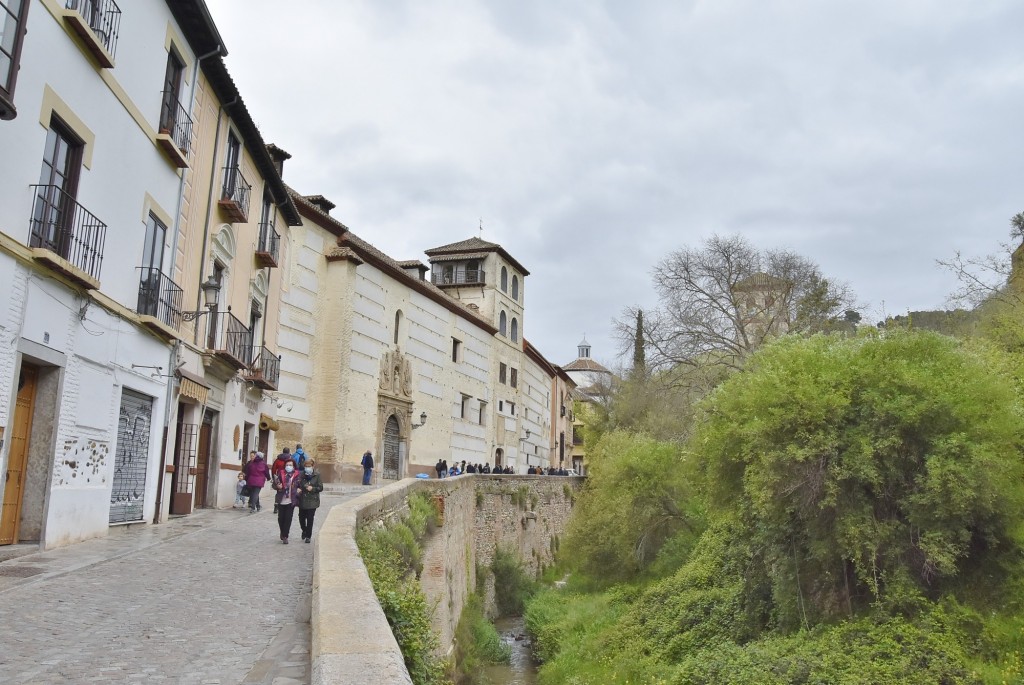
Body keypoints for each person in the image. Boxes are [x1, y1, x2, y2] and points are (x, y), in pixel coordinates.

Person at [273, 459, 302, 543]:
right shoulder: (280, 473)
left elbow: (300, 485)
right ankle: (282, 532)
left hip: (291, 499)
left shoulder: (297, 475)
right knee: (280, 518)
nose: (288, 466)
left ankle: (285, 535)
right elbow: (274, 484)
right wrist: (277, 486)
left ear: (293, 466)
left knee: (288, 518)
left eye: (290, 465)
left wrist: (299, 491)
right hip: (281, 499)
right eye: (287, 465)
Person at [298, 458, 324, 543]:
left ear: (313, 466)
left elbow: (320, 487)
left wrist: (312, 488)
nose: (307, 468)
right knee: (301, 518)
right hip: (302, 499)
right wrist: (299, 488)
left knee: (310, 518)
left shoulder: (317, 475)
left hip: (313, 500)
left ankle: (308, 536)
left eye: (309, 466)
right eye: (306, 466)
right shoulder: (301, 474)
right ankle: (304, 530)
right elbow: (298, 484)